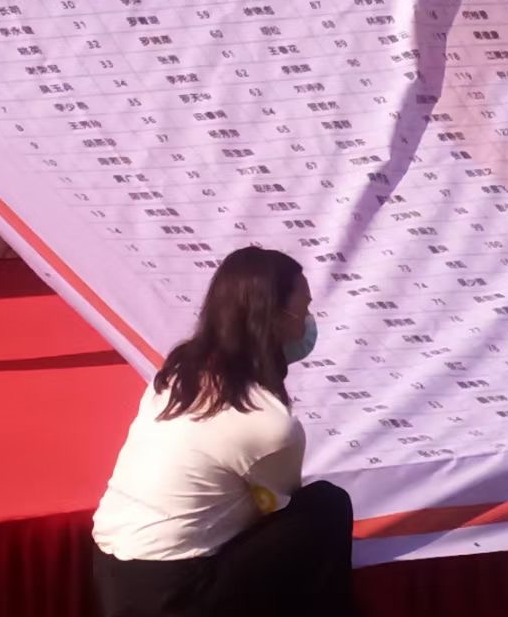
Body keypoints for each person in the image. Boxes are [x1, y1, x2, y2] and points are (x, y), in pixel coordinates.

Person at [91, 246, 353, 617]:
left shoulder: (176, 375)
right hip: (177, 593)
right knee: (327, 505)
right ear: (275, 318)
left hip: (111, 572)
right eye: (304, 309)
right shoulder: (268, 423)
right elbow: (275, 506)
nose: (308, 322)